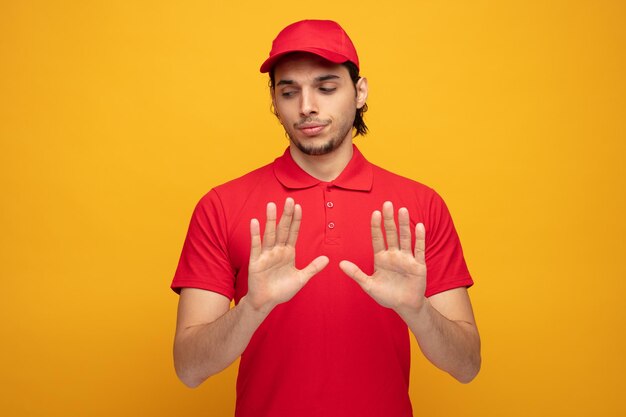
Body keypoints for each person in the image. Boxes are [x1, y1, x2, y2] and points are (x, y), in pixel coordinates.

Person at [171, 19, 481, 417]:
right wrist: (252, 308)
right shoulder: (221, 205)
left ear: (360, 92)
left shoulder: (419, 205)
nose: (306, 107)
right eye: (289, 92)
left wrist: (417, 310)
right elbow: (189, 368)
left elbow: (467, 365)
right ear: (274, 102)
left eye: (326, 87)